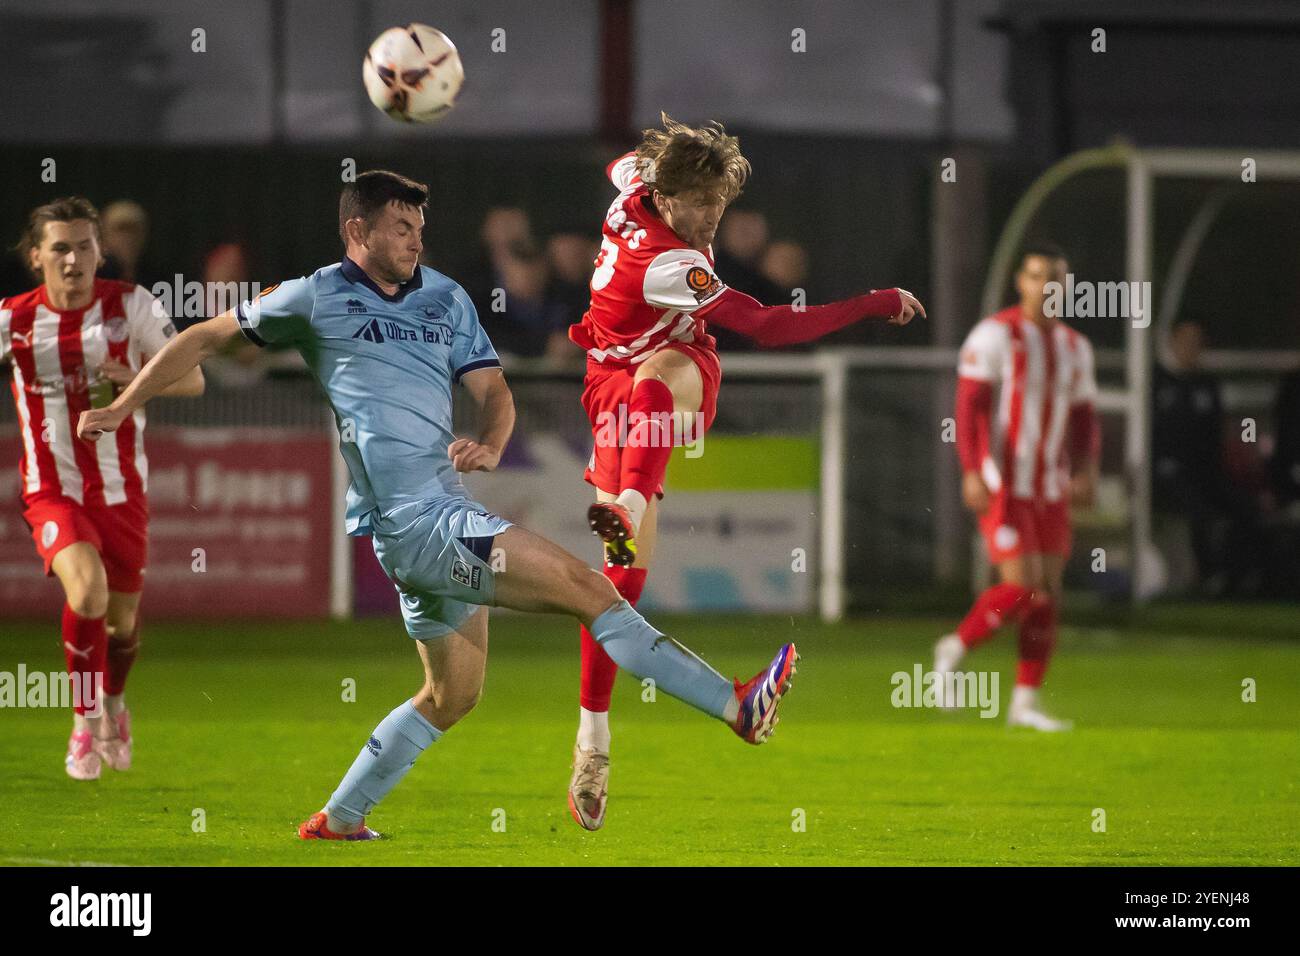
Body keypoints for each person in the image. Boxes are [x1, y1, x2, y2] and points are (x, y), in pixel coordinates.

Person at [77, 169, 797, 841]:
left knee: (451, 696)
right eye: (399, 225)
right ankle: (737, 709)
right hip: (420, 523)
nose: (416, 238)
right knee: (592, 591)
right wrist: (124, 406)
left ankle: (340, 817)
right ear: (357, 231)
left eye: (419, 224)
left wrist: (489, 439)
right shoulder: (315, 295)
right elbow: (204, 338)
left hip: (433, 517)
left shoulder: (445, 297)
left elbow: (495, 391)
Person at [567, 113, 923, 829]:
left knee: (663, 369)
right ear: (667, 197)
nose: (708, 220)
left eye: (719, 207)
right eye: (698, 205)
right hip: (612, 389)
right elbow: (766, 326)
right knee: (615, 593)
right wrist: (872, 303)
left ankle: (630, 506)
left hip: (670, 378)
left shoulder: (634, 181)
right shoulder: (670, 263)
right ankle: (593, 741)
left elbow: (623, 162)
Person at [0, 196, 203, 779]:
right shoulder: (15, 318)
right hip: (52, 491)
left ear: (99, 251)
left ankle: (115, 703)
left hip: (121, 492)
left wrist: (135, 380)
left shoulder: (130, 305)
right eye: (59, 248)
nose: (73, 259)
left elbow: (191, 378)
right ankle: (85, 722)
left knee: (120, 625)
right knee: (85, 593)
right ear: (35, 257)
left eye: (84, 246)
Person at [932, 243, 1099, 731]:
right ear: (1021, 283)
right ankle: (954, 647)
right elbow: (970, 408)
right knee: (1023, 589)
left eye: (1056, 277)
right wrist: (970, 469)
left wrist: (1086, 469)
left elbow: (1085, 418)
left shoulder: (1075, 347)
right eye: (1036, 276)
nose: (1046, 285)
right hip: (1004, 480)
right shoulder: (994, 336)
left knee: (1048, 593)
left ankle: (1024, 702)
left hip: (1049, 484)